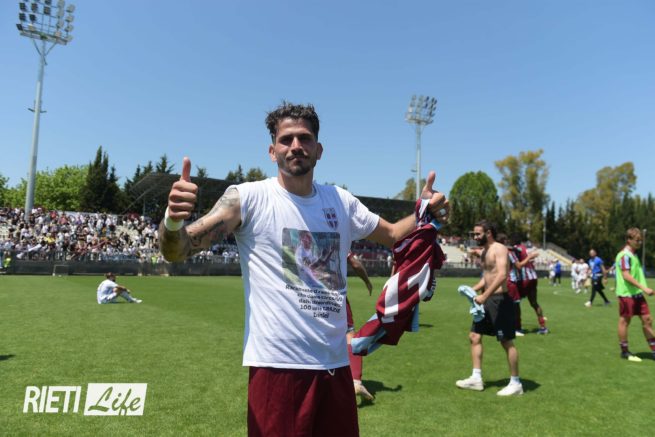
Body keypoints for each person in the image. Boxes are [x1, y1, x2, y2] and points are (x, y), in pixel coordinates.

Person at [159, 102, 449, 437]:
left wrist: (425, 211)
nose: (295, 145)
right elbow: (176, 249)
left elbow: (395, 234)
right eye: (286, 139)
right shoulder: (248, 199)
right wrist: (173, 220)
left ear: (319, 150)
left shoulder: (341, 201)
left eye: (304, 138)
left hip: (335, 366)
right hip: (278, 369)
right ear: (272, 151)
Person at [455, 221, 523, 396]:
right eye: (474, 234)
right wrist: (473, 289)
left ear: (489, 233)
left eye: (478, 234)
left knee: (506, 341)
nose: (475, 237)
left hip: (500, 301)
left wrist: (484, 296)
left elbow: (502, 275)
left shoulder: (500, 249)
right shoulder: (485, 251)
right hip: (487, 300)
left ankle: (516, 383)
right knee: (474, 336)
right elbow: (487, 277)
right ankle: (476, 379)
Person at [614, 228, 655, 362]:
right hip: (627, 295)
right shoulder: (624, 255)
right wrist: (644, 288)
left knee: (647, 320)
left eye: (640, 240)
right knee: (625, 322)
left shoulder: (633, 255)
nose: (639, 243)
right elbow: (626, 275)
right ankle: (624, 351)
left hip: (637, 295)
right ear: (629, 240)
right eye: (637, 240)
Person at [346, 252, 374, 401]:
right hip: (332, 296)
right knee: (349, 335)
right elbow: (355, 263)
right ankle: (356, 381)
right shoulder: (337, 238)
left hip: (303, 298)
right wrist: (367, 281)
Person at [511, 233, 548, 334]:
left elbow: (517, 261)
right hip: (533, 277)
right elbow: (530, 256)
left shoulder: (516, 249)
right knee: (534, 303)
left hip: (524, 279)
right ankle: (543, 327)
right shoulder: (525, 248)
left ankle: (517, 327)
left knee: (515, 302)